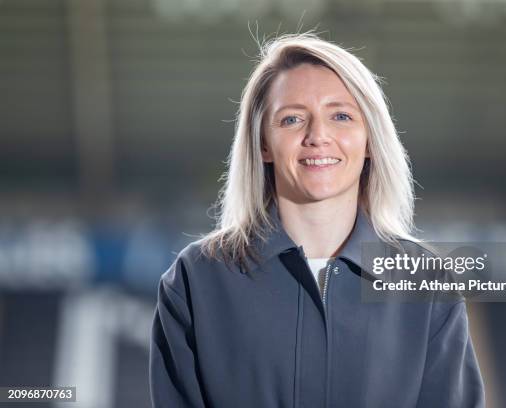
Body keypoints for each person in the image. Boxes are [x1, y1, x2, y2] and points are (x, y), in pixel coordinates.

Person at [149, 32, 485, 408]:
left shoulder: (427, 283)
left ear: (370, 139)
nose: (318, 136)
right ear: (263, 143)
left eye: (340, 116)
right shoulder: (199, 278)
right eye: (292, 119)